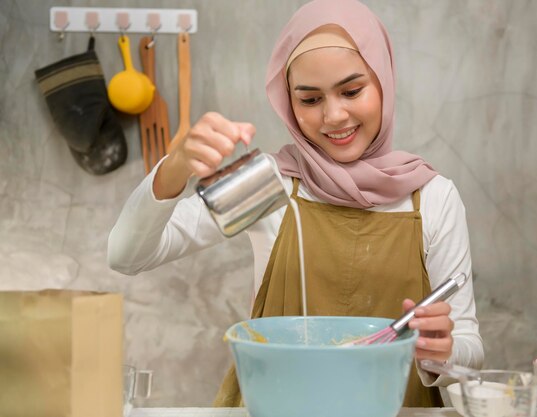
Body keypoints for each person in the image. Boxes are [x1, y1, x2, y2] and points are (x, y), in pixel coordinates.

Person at [108, 0, 483, 407]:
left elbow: (469, 350)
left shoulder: (432, 197)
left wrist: (441, 352)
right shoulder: (272, 184)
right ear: (289, 103)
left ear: (384, 82)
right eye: (309, 100)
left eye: (352, 90)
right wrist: (176, 167)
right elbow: (128, 256)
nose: (334, 115)